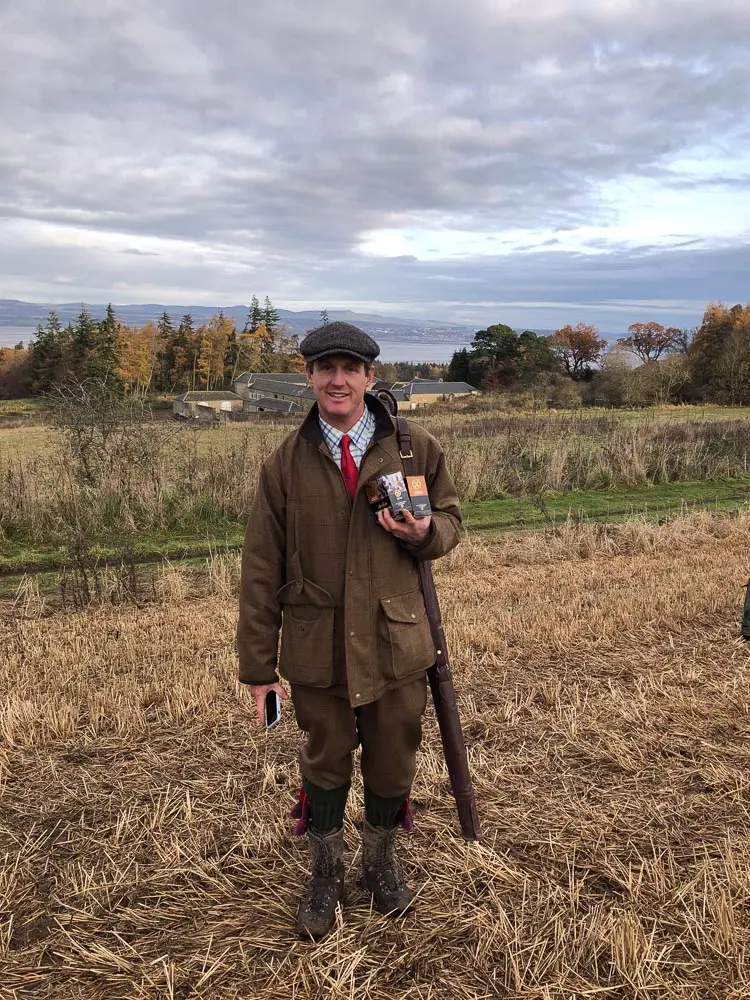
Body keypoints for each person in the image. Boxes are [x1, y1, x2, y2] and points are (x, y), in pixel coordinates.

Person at [237, 321, 461, 939]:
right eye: (324, 368)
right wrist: (258, 671)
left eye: (350, 368)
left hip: (397, 643)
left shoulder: (414, 447)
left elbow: (450, 521)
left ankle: (382, 862)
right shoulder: (283, 463)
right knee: (325, 760)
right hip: (317, 651)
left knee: (393, 760)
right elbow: (260, 569)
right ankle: (325, 872)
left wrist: (427, 535)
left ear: (369, 376)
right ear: (307, 376)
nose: (337, 380)